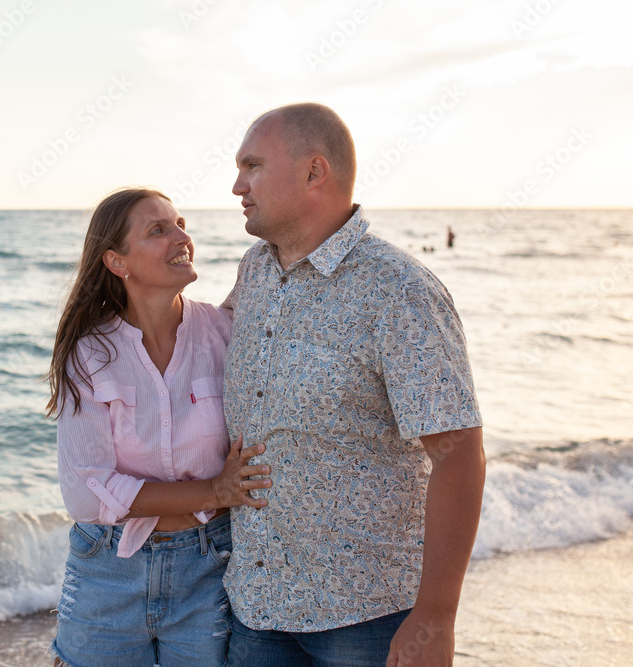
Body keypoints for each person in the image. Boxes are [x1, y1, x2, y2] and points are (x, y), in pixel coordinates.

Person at [221, 103, 486, 667]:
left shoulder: (399, 291)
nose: (237, 184)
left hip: (365, 618)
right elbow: (193, 345)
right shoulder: (255, 268)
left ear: (315, 172)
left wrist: (436, 616)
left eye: (253, 166)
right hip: (255, 607)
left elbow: (459, 457)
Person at [46, 187, 273, 667]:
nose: (181, 238)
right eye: (158, 230)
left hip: (209, 567)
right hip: (108, 572)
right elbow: (85, 495)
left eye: (181, 225)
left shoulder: (225, 332)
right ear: (116, 261)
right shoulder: (89, 353)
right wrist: (214, 491)